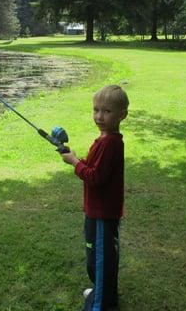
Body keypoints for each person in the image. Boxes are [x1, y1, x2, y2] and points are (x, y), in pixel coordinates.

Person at [61, 85, 128, 310]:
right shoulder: (105, 140)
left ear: (122, 115)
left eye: (106, 111)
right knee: (99, 257)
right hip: (97, 213)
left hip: (102, 215)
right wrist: (77, 158)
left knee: (100, 260)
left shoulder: (110, 144)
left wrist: (74, 163)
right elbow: (94, 167)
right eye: (96, 110)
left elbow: (95, 178)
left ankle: (100, 303)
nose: (99, 116)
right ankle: (103, 290)